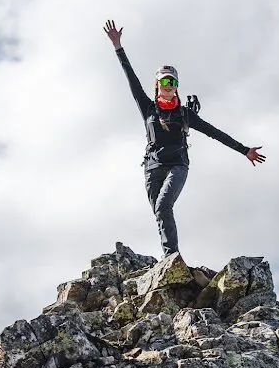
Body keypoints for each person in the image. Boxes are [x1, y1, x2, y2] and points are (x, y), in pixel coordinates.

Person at [103, 19, 265, 256]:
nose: (168, 85)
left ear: (177, 86)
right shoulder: (148, 109)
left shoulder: (185, 114)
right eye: (164, 81)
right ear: (157, 84)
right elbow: (131, 78)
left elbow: (214, 133)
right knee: (160, 212)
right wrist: (118, 46)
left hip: (177, 165)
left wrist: (244, 150)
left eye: (172, 81)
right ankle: (169, 258)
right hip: (152, 167)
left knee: (163, 205)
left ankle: (171, 256)